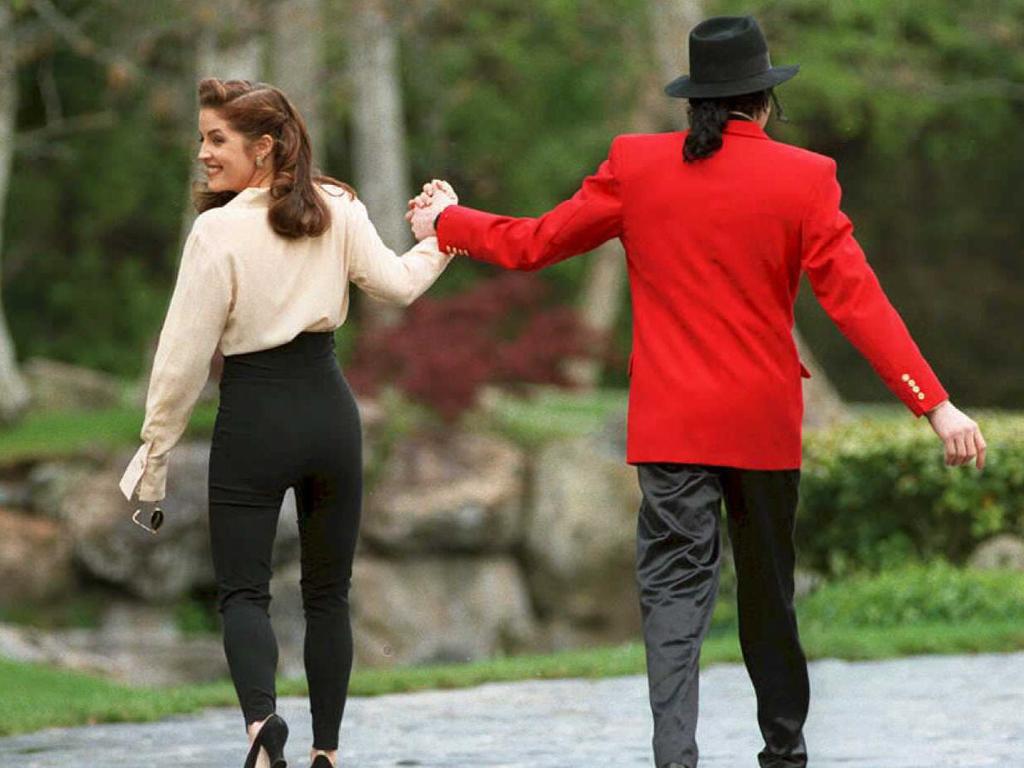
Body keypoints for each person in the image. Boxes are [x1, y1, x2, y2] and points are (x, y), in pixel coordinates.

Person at [408, 15, 986, 768]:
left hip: (673, 425)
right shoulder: (805, 177)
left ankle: (675, 757)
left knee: (675, 600)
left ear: (693, 102)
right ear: (764, 102)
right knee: (768, 597)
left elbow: (535, 243)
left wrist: (448, 221)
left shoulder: (636, 166)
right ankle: (784, 751)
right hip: (761, 426)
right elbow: (857, 302)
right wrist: (932, 403)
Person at [118, 78, 453, 768]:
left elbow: (181, 363)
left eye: (216, 139)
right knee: (329, 595)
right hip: (332, 415)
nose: (202, 153)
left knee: (244, 593)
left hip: (255, 419)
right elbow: (397, 284)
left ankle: (262, 731)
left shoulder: (216, 233)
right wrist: (444, 235)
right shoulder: (339, 206)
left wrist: (153, 459)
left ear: (263, 146)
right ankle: (326, 753)